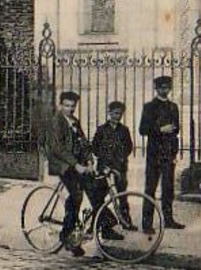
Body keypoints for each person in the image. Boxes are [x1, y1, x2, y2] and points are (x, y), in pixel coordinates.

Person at [46, 90, 122, 257]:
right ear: (60, 105)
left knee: (96, 189)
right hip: (62, 165)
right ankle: (66, 236)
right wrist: (76, 165)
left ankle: (105, 226)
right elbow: (57, 148)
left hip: (77, 164)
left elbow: (84, 143)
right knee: (76, 195)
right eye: (66, 105)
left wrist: (88, 160)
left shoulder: (75, 121)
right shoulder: (55, 122)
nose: (70, 109)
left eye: (73, 106)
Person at [139, 76, 185, 231]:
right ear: (156, 88)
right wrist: (160, 129)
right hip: (154, 154)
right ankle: (147, 223)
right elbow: (142, 130)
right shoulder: (149, 107)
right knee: (150, 188)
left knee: (168, 188)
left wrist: (174, 153)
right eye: (161, 87)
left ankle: (169, 219)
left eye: (166, 87)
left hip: (168, 154)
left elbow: (176, 130)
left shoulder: (173, 107)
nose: (164, 90)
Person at [91, 101, 135, 229]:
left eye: (120, 114)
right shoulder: (101, 129)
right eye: (115, 113)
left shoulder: (124, 130)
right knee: (99, 197)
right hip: (104, 167)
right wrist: (104, 160)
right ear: (109, 113)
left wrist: (120, 159)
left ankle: (126, 221)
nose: (117, 116)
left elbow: (129, 147)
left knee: (122, 194)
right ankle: (95, 223)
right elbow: (94, 147)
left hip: (119, 167)